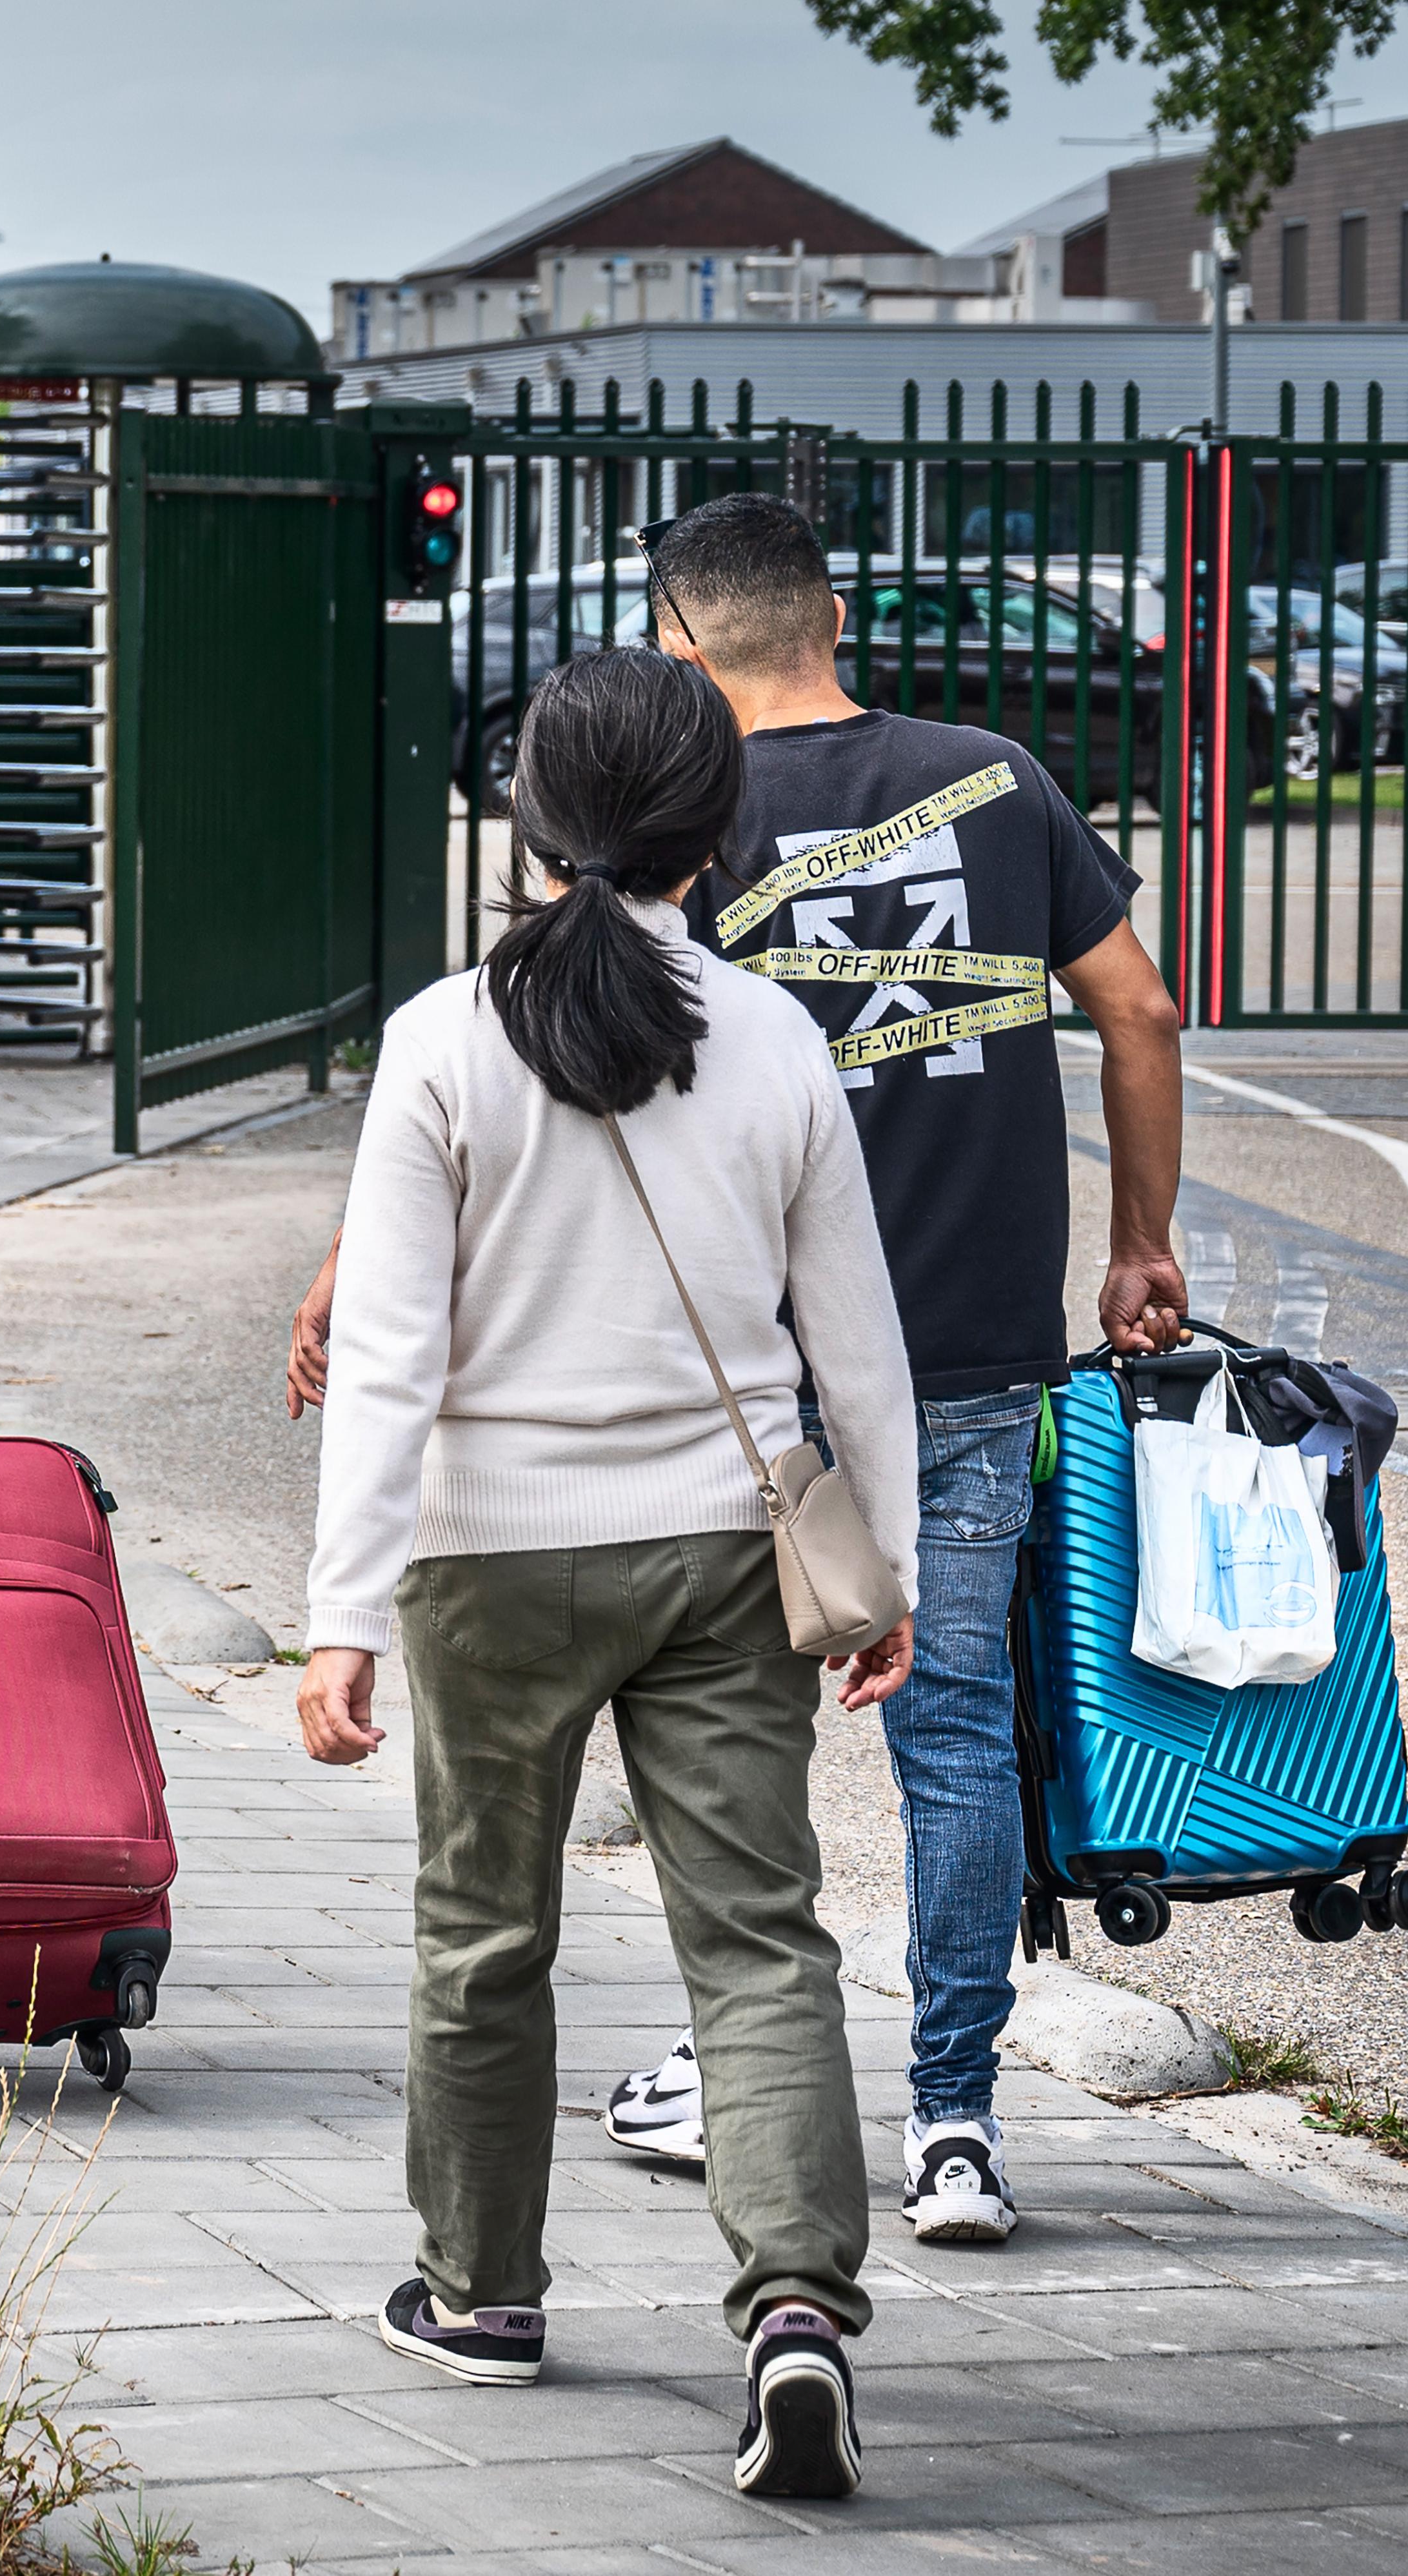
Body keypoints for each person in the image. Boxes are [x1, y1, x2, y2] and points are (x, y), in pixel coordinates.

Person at [291, 489, 1189, 2252]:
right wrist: (1136, 1240)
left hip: (737, 1396)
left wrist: (357, 1267)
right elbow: (1140, 1011)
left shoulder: (672, 817)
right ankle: (948, 2121)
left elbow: (533, 1055)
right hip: (968, 1342)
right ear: (831, 613)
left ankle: (675, 2121)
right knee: (953, 1736)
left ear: (675, 648)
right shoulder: (997, 780)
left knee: (675, 1826)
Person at [303, 645, 916, 2499]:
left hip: (488, 1563)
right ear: (710, 829)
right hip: (726, 1557)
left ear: (531, 818)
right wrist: (880, 1581)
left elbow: (392, 1357)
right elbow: (857, 1345)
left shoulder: (437, 1038)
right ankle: (796, 2306)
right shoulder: (779, 1039)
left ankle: (480, 2294)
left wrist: (340, 1611)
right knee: (754, 1940)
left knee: (482, 1935)